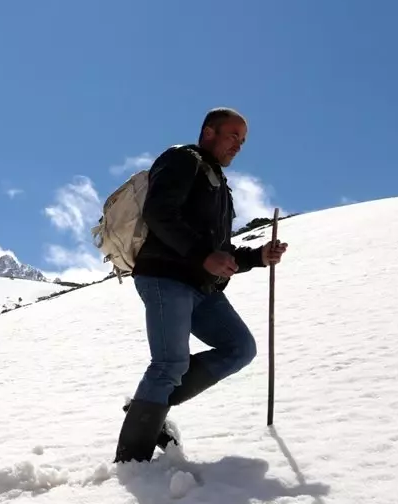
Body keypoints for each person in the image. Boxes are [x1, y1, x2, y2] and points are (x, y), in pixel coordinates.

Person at [115, 107, 287, 464]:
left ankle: (149, 405)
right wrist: (201, 255)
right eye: (232, 136)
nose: (238, 146)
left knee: (239, 347)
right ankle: (132, 463)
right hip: (165, 277)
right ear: (209, 132)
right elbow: (159, 214)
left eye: (243, 141)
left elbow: (219, 249)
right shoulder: (182, 159)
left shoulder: (219, 186)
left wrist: (257, 257)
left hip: (202, 286)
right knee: (169, 364)